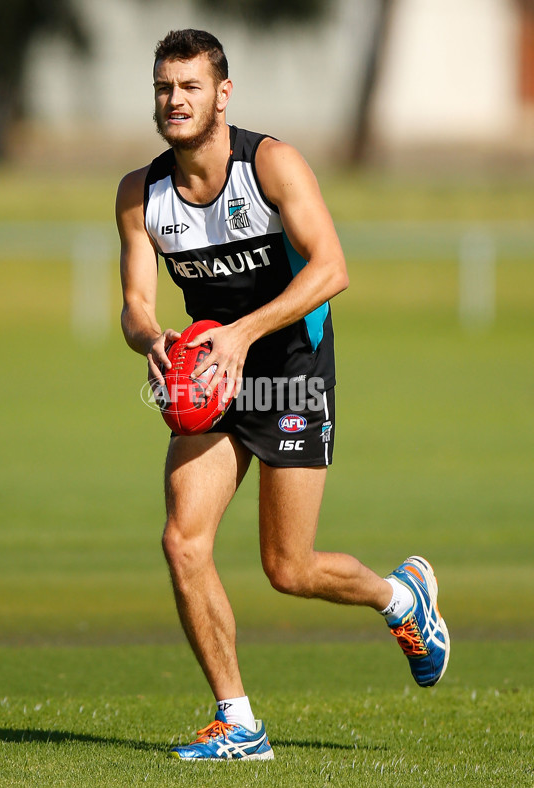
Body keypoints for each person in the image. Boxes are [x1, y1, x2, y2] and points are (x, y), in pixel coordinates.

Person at [116, 28, 450, 762]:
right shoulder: (142, 193)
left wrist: (242, 335)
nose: (176, 100)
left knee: (288, 568)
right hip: (209, 370)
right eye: (165, 88)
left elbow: (331, 269)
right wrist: (153, 341)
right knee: (183, 541)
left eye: (191, 87)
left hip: (290, 365)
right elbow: (135, 302)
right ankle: (238, 723)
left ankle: (401, 599)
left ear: (223, 94)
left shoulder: (270, 164)